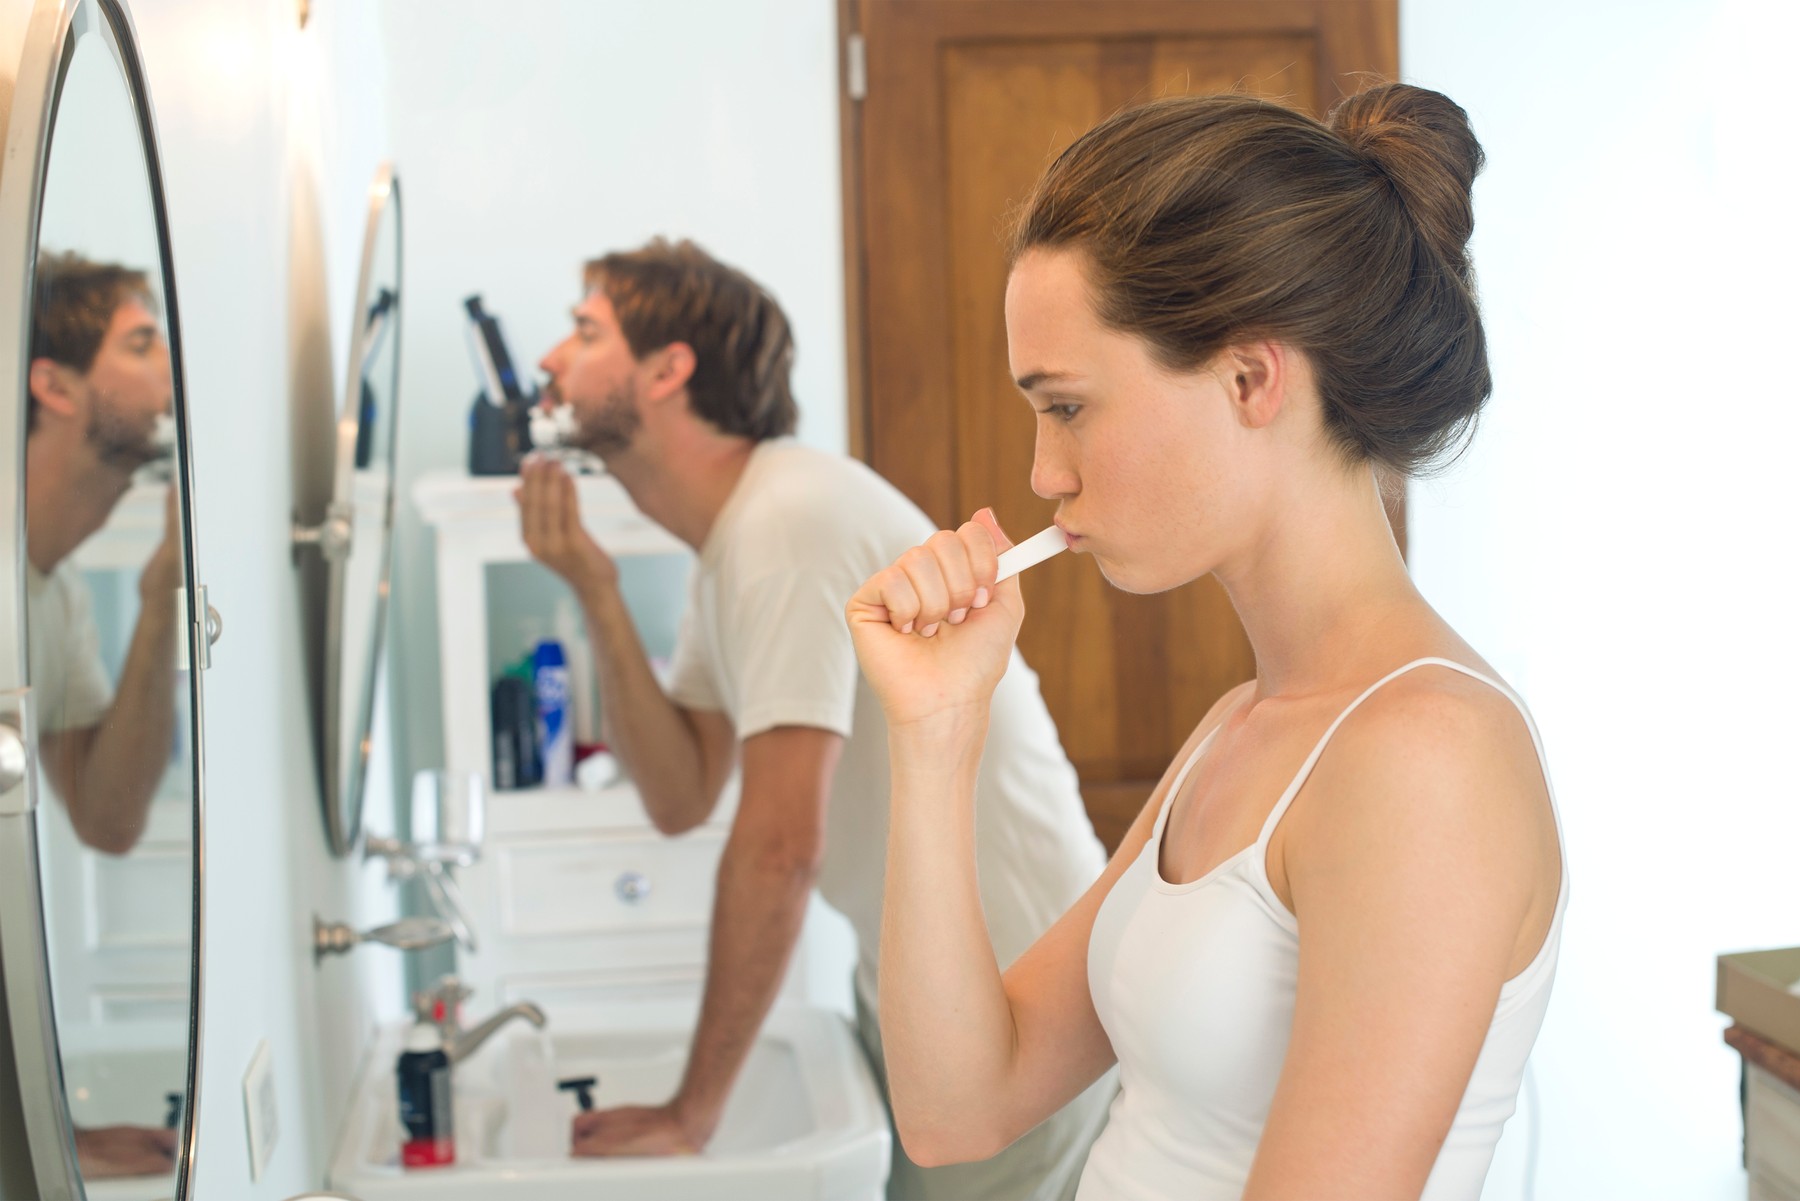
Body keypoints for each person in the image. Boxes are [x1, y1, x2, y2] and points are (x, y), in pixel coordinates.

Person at [846, 83, 1567, 1201]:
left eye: (1068, 406)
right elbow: (956, 1110)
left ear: (1250, 378)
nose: (1044, 472)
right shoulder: (1243, 726)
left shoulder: (1426, 755)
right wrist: (935, 732)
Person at [514, 238, 1113, 1199]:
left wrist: (690, 1114)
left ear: (669, 371)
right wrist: (595, 591)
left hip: (1018, 1005)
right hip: (940, 992)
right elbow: (680, 792)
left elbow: (780, 849)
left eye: (585, 333)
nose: (551, 360)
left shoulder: (786, 523)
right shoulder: (738, 541)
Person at [25, 250, 181, 857]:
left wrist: (164, 595)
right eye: (142, 345)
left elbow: (108, 821)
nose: (172, 367)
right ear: (54, 387)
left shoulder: (59, 594)